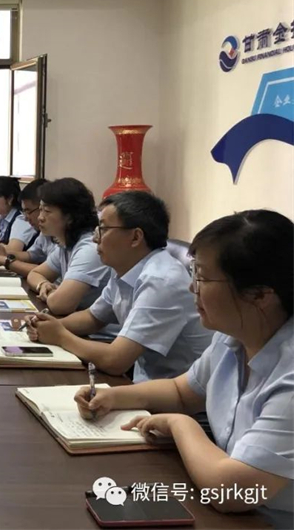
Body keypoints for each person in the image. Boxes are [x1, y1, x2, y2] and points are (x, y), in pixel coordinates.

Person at [74, 210, 293, 528]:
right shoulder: (234, 337)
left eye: (202, 277)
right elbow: (180, 391)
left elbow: (232, 492)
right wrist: (113, 397)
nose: (192, 288)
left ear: (260, 295)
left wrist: (181, 425)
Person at [27, 191, 212, 381]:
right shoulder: (125, 268)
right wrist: (47, 325)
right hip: (145, 381)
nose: (95, 238)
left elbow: (115, 360)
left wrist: (60, 336)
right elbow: (92, 318)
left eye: (103, 229)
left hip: (176, 391)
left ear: (135, 237)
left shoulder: (161, 280)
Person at [26, 178, 111, 315]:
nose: (40, 217)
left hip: (98, 328)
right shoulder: (66, 243)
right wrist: (43, 285)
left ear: (70, 216)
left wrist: (51, 294)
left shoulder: (89, 249)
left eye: (47, 211)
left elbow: (60, 305)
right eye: (40, 210)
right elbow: (35, 274)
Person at [0, 178, 55, 274]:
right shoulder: (45, 234)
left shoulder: (65, 241)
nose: (26, 218)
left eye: (29, 211)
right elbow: (31, 255)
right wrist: (3, 253)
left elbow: (47, 272)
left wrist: (4, 260)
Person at [0, 177, 34, 254]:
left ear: (10, 199)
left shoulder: (22, 220)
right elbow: (1, 241)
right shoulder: (5, 218)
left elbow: (13, 250)